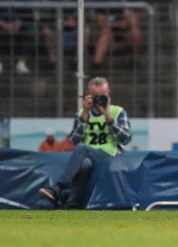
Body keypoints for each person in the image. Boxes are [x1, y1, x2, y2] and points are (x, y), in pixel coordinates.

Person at [38, 77, 132, 208]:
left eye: (102, 96)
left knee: (82, 148)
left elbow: (126, 139)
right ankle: (73, 205)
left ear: (108, 93)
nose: (99, 100)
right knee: (84, 165)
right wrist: (85, 115)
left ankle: (58, 188)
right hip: (87, 156)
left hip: (111, 155)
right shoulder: (82, 113)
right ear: (89, 96)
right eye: (96, 96)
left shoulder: (118, 112)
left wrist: (109, 118)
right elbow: (74, 141)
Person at [93, 0, 143, 67]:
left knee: (135, 32)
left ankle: (134, 62)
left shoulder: (131, 0)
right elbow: (100, 21)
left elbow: (134, 22)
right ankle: (97, 64)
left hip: (126, 33)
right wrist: (119, 23)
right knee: (105, 33)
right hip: (109, 32)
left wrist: (124, 3)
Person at [41, 0, 88, 67]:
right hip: (57, 33)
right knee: (46, 30)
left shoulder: (80, 0)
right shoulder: (51, 1)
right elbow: (44, 19)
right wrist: (60, 23)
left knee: (86, 30)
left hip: (75, 33)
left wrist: (76, 24)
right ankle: (53, 61)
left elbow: (88, 18)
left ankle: (78, 59)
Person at [0, 0, 31, 74]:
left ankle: (21, 63)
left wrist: (18, 24)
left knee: (31, 32)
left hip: (18, 31)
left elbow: (28, 15)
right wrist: (3, 24)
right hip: (2, 29)